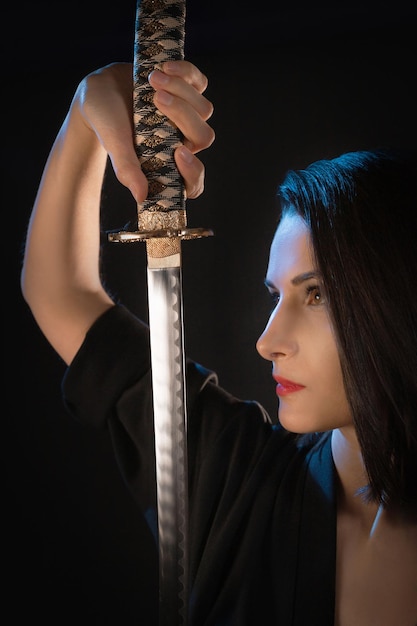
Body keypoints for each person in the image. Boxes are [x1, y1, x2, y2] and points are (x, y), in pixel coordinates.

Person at [20, 60, 417, 625]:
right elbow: (58, 293)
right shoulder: (233, 477)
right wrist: (88, 112)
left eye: (317, 295)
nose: (268, 342)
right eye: (275, 295)